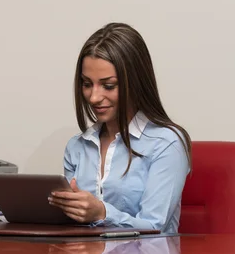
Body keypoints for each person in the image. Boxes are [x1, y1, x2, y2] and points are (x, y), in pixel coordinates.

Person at [48, 22, 191, 233]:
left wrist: (102, 213)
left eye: (108, 85)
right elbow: (72, 222)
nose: (94, 97)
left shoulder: (166, 143)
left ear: (136, 82)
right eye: (87, 84)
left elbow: (154, 227)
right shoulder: (77, 147)